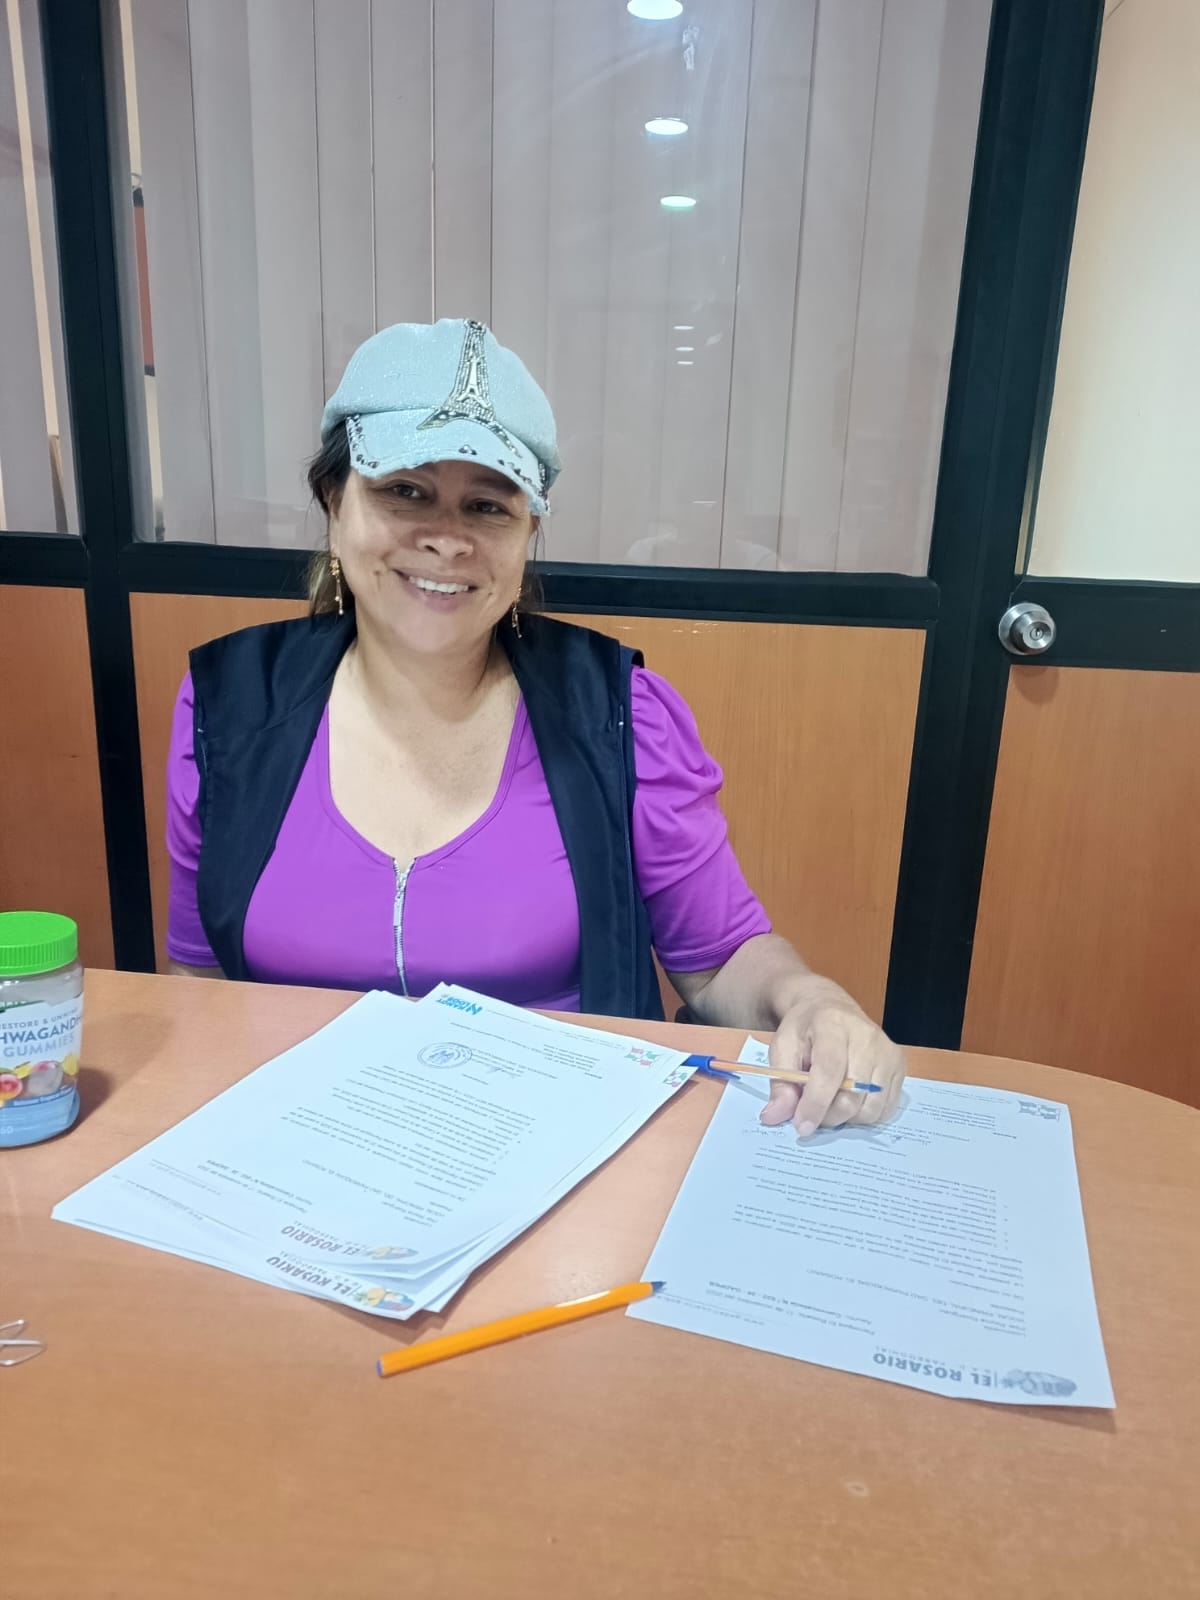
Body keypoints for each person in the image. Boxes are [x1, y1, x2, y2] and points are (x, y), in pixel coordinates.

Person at [165, 319, 905, 1137]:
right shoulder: (230, 709)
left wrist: (810, 999)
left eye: (487, 506)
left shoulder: (618, 716)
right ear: (335, 503)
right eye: (405, 490)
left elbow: (718, 959)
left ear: (527, 536)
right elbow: (200, 977)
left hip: (563, 1153)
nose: (447, 538)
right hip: (304, 1151)